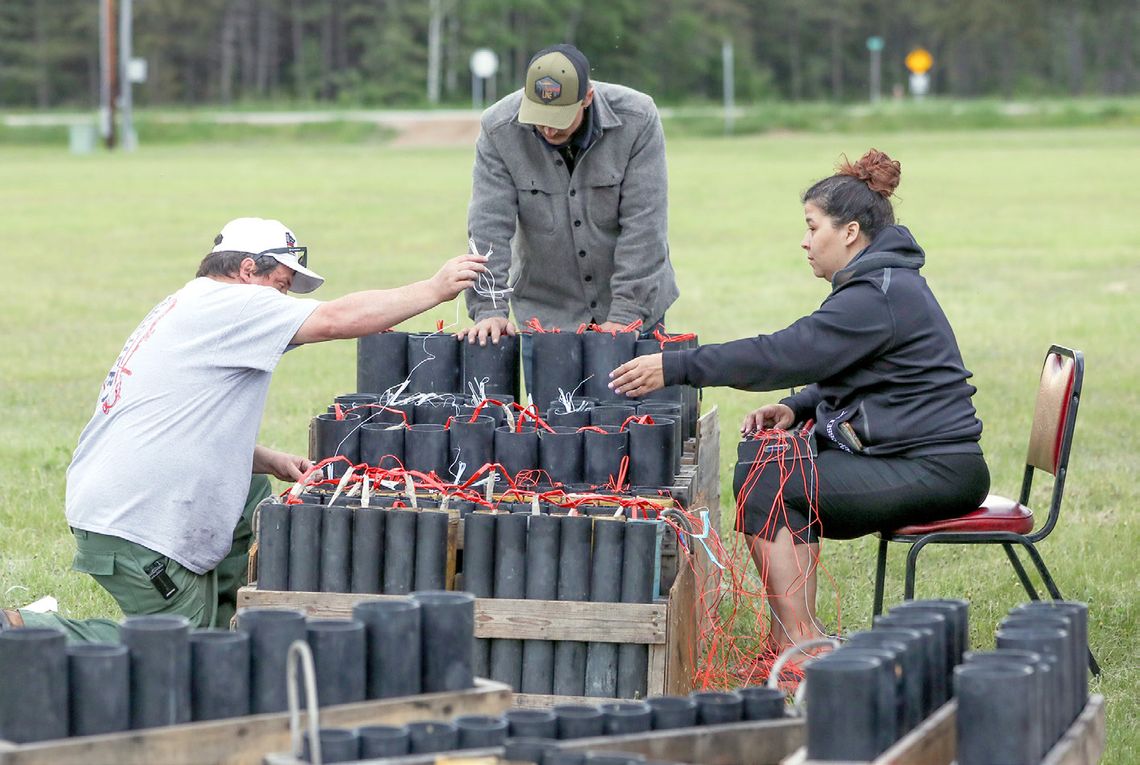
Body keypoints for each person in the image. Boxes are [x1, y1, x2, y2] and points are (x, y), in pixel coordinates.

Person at [1, 217, 486, 641]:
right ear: (247, 269)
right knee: (174, 652)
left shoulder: (194, 306)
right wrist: (434, 288)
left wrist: (268, 459)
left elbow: (181, 423)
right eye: (281, 283)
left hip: (115, 498)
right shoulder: (229, 305)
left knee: (251, 492)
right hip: (134, 524)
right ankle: (26, 630)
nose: (283, 299)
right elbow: (337, 319)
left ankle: (235, 636)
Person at [609, 150, 990, 652]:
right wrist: (799, 407)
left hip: (936, 468)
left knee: (769, 479)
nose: (805, 241)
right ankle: (789, 639)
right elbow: (853, 367)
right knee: (768, 461)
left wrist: (677, 365)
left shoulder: (875, 294)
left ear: (849, 232)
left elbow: (785, 353)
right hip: (915, 458)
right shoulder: (880, 283)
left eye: (813, 228)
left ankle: (800, 644)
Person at [459, 43, 679, 389]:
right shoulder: (499, 129)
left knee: (634, 429)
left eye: (559, 119)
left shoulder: (638, 118)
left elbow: (644, 225)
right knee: (555, 430)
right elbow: (488, 226)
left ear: (587, 98)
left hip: (634, 309)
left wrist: (624, 316)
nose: (548, 130)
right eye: (540, 119)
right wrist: (489, 309)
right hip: (547, 313)